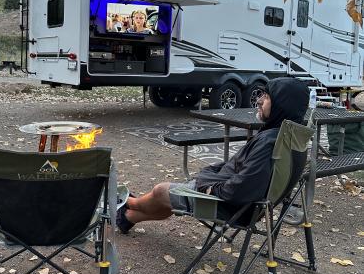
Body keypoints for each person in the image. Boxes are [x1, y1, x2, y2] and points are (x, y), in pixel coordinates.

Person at [116, 77, 309, 234]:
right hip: (248, 206)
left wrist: (210, 188)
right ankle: (127, 217)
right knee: (171, 198)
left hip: (228, 206)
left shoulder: (270, 143)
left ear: (281, 105)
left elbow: (242, 188)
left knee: (161, 191)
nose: (259, 100)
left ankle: (125, 202)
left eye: (266, 97)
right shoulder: (289, 136)